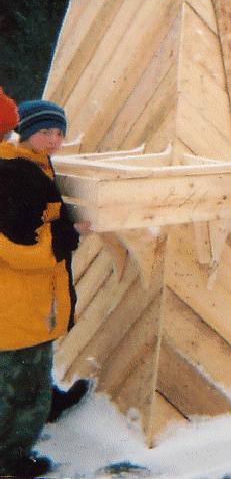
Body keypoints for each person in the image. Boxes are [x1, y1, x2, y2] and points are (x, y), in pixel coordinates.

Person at [0, 95, 80, 477]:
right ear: (25, 131)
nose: (53, 139)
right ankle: (11, 458)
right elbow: (21, 248)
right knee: (20, 381)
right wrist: (66, 234)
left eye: (58, 132)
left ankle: (48, 402)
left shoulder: (32, 163)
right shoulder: (16, 174)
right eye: (44, 131)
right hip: (21, 300)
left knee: (31, 366)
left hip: (29, 298)